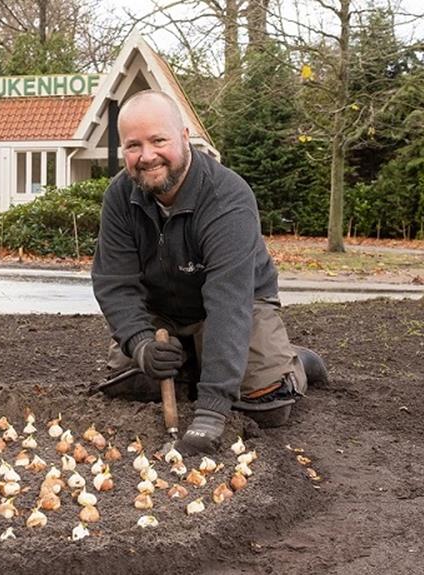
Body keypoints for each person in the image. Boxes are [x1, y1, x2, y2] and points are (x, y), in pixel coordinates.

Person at [92, 90, 327, 456]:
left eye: (158, 140)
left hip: (237, 305)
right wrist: (140, 345)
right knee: (132, 382)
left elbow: (228, 303)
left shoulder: (227, 197)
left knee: (266, 405)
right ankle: (194, 357)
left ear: (185, 136)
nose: (147, 156)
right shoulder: (120, 197)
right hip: (165, 312)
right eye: (133, 145)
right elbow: (114, 283)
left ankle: (295, 362)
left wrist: (212, 410)